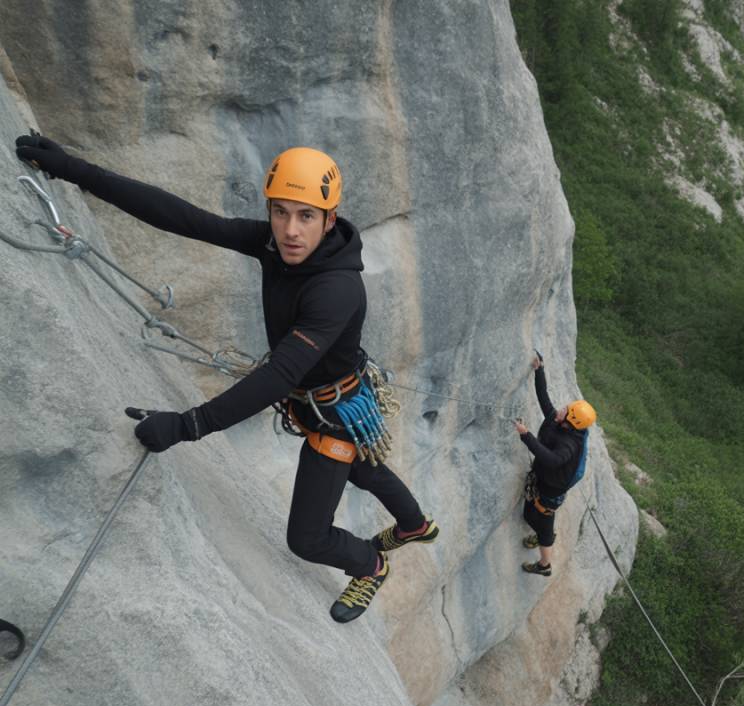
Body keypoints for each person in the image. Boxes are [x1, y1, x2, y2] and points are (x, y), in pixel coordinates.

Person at [15, 135, 439, 623]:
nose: (290, 230)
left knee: (307, 538)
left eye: (306, 216)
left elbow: (280, 374)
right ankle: (415, 526)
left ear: (330, 218)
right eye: (280, 212)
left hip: (335, 418)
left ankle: (370, 564)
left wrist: (186, 425)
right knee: (365, 470)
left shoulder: (336, 289)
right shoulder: (273, 244)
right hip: (332, 397)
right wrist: (74, 169)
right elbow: (186, 219)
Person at [513, 353, 596, 577]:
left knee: (538, 516)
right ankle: (543, 535)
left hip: (552, 490)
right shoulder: (561, 422)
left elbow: (552, 460)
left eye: (565, 410)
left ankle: (544, 564)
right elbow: (544, 399)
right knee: (533, 515)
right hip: (547, 480)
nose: (560, 409)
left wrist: (526, 435)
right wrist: (539, 370)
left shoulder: (569, 444)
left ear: (571, 421)